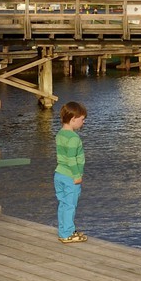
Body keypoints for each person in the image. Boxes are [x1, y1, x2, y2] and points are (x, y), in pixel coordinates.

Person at [54, 100, 88, 243]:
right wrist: (77, 176)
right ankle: (67, 234)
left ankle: (64, 230)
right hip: (70, 176)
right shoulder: (74, 138)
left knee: (63, 204)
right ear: (73, 119)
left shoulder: (60, 134)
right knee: (70, 205)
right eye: (82, 119)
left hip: (59, 174)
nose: (83, 122)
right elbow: (72, 160)